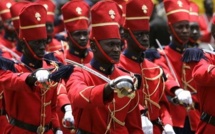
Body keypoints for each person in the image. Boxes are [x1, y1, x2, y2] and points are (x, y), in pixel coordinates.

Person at [66, 1, 143, 133]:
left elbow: (134, 126)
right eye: (111, 44)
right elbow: (77, 96)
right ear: (94, 46)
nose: (116, 49)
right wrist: (108, 88)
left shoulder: (127, 78)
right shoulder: (80, 73)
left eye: (119, 44)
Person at [1, 3, 73, 134]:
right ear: (23, 44)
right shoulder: (9, 68)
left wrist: (56, 127)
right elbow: (10, 80)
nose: (42, 47)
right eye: (37, 43)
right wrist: (31, 77)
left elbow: (50, 107)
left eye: (43, 41)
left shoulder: (52, 67)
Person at [118, 0, 174, 134]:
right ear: (125, 35)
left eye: (146, 34)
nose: (144, 38)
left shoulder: (154, 69)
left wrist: (167, 124)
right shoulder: (116, 67)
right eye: (139, 34)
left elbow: (162, 104)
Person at [149, 0, 199, 133]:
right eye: (180, 27)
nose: (185, 31)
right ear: (169, 28)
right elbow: (164, 75)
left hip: (196, 117)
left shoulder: (197, 54)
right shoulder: (161, 55)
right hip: (173, 118)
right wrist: (177, 90)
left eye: (187, 27)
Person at [61, 0, 92, 65]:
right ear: (68, 37)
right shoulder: (59, 58)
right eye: (77, 34)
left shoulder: (95, 58)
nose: (82, 38)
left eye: (85, 34)